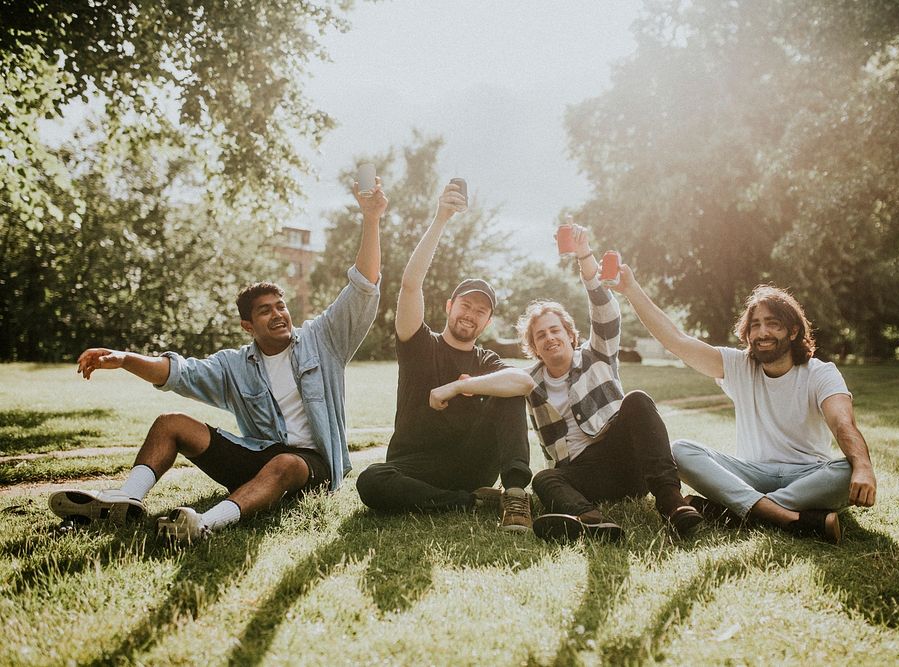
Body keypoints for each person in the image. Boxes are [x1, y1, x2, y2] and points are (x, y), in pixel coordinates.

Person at [48, 178, 387, 543]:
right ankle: (126, 501)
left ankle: (205, 523)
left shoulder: (323, 340)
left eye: (281, 306)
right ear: (247, 326)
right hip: (258, 456)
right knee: (170, 423)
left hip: (312, 466)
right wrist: (124, 358)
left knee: (285, 462)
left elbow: (363, 287)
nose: (278, 315)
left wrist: (371, 219)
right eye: (264, 312)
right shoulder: (235, 365)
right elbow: (178, 373)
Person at [429, 222, 703, 542]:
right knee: (545, 479)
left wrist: (584, 256)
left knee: (638, 399)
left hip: (626, 458)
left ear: (570, 334)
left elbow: (605, 312)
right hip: (583, 475)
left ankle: (671, 502)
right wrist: (460, 385)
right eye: (540, 335)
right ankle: (591, 521)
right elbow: (509, 380)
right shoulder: (531, 379)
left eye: (555, 330)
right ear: (534, 347)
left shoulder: (597, 355)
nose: (549, 338)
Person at [615, 267, 877, 544]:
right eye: (755, 324)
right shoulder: (738, 365)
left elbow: (842, 423)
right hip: (749, 474)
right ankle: (782, 515)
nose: (763, 332)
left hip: (807, 476)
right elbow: (677, 341)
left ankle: (729, 511)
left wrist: (863, 467)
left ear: (793, 331)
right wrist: (631, 288)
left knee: (848, 470)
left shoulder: (821, 373)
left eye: (773, 323)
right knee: (680, 451)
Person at [354, 181, 533, 532]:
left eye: (481, 310)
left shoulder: (486, 360)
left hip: (471, 463)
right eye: (466, 304)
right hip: (413, 464)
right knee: (371, 481)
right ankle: (470, 501)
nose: (471, 314)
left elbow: (524, 381)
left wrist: (453, 387)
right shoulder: (419, 343)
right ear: (450, 306)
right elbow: (410, 284)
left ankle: (514, 495)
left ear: (488, 320)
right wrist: (441, 218)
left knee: (510, 392)